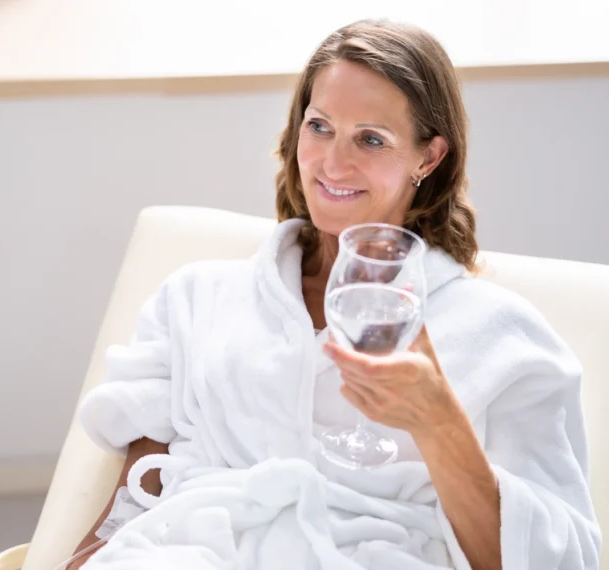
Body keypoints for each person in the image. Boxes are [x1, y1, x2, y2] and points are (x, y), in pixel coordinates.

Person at [67, 19, 601, 570]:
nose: (333, 164)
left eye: (371, 139)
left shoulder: (502, 336)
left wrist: (439, 425)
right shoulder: (195, 299)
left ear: (429, 157)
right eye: (319, 126)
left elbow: (557, 560)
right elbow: (132, 503)